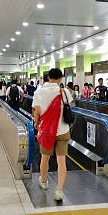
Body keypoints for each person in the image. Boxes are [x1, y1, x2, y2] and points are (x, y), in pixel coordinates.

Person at [32, 68, 73, 201]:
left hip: (46, 131)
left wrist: (36, 122)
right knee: (61, 160)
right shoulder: (65, 91)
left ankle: (44, 182)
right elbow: (69, 106)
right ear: (61, 78)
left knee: (45, 158)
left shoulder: (39, 92)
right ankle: (59, 191)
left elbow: (36, 110)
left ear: (48, 77)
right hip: (63, 130)